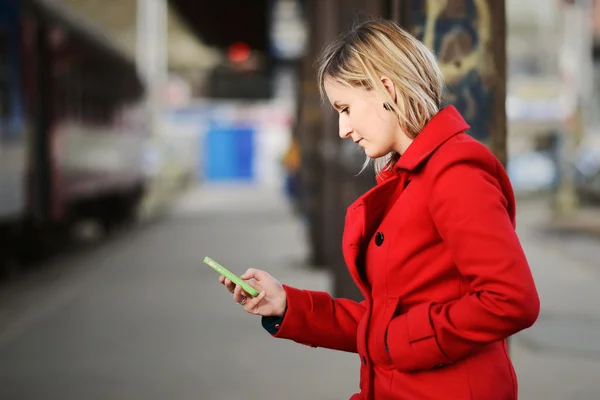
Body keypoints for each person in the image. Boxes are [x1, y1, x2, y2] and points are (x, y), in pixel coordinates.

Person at [219, 18, 539, 400]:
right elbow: (382, 324)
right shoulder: (409, 178)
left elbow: (511, 301)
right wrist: (287, 304)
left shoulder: (455, 171)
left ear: (386, 89)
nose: (343, 128)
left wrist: (398, 339)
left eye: (346, 108)